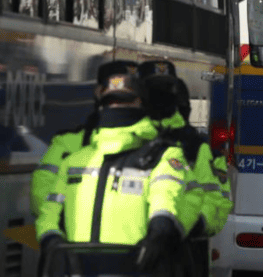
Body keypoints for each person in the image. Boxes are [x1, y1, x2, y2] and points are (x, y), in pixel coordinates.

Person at [36, 69, 194, 276]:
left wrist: (159, 233)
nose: (116, 107)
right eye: (110, 102)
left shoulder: (164, 157)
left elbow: (165, 201)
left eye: (125, 101)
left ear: (141, 105)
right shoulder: (74, 161)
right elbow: (48, 214)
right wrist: (51, 240)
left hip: (139, 269)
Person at [138, 60, 232, 274]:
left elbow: (217, 203)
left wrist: (185, 225)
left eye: (167, 89)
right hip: (129, 249)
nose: (161, 96)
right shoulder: (125, 138)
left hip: (181, 254)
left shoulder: (195, 147)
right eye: (154, 89)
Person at [30, 60, 138, 218]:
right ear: (99, 92)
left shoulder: (156, 144)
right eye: (115, 95)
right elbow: (42, 197)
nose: (120, 106)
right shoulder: (67, 143)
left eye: (130, 96)